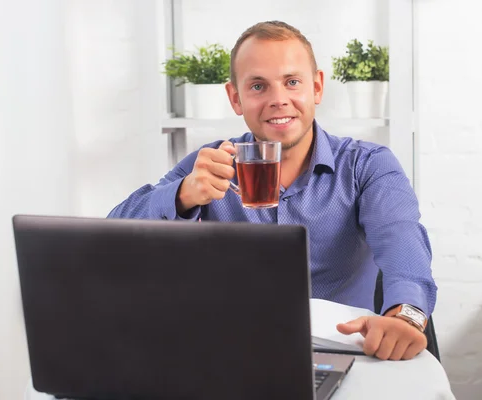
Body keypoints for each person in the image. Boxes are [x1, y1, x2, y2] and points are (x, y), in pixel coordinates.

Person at [108, 21, 437, 361]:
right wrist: (182, 195)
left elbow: (402, 246)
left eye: (292, 82)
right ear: (235, 98)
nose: (279, 100)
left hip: (343, 354)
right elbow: (114, 235)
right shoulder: (209, 165)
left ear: (317, 87)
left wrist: (405, 317)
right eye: (258, 86)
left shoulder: (367, 166)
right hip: (230, 357)